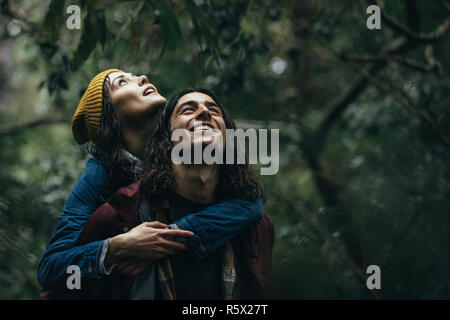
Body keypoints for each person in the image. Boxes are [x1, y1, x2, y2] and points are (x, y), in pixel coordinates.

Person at [37, 70, 264, 296]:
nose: (143, 78)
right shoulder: (98, 178)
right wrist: (119, 247)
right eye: (123, 82)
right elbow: (51, 267)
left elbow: (251, 203)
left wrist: (169, 237)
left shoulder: (187, 146)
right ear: (111, 114)